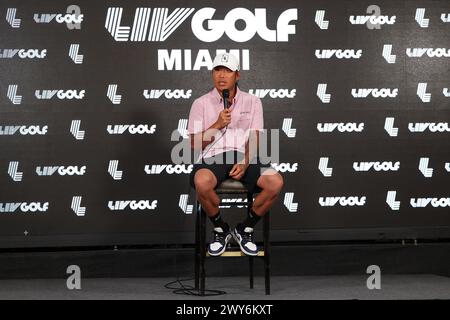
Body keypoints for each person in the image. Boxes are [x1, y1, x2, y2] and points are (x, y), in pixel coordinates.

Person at [188, 52, 283, 256]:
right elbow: (194, 144)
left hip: (243, 155)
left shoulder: (253, 101)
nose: (221, 75)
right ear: (212, 74)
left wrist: (246, 162)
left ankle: (245, 228)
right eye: (217, 70)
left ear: (237, 75)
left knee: (275, 182)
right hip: (212, 156)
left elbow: (255, 137)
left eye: (227, 71)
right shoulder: (200, 103)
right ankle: (221, 229)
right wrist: (217, 124)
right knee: (202, 182)